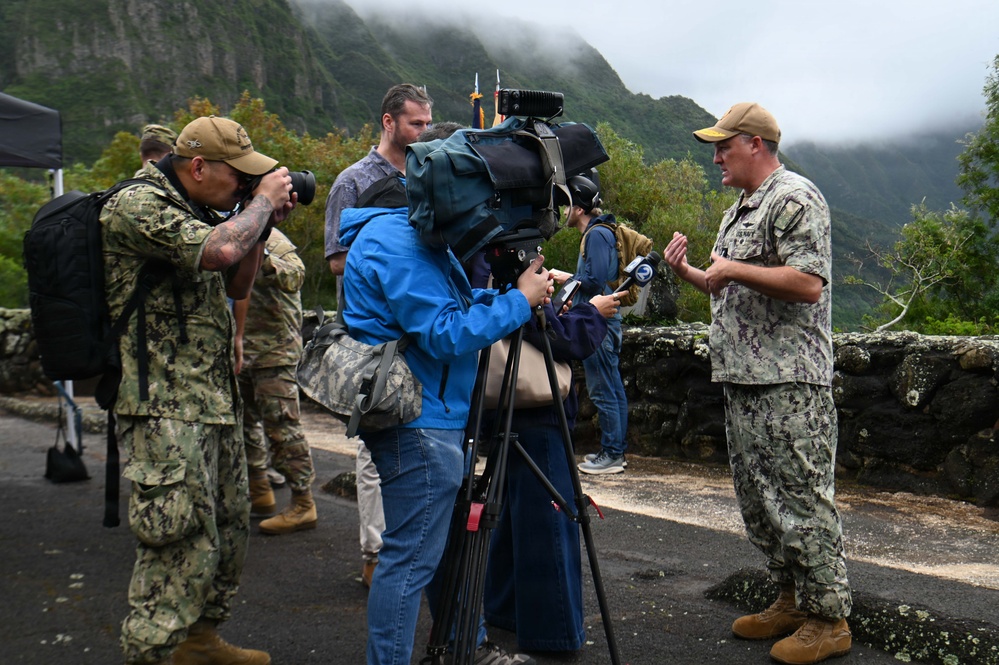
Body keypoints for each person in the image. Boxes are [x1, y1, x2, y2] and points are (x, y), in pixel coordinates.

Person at [102, 114, 295, 665]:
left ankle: (199, 640)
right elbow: (217, 253)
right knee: (176, 539)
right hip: (162, 406)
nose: (244, 184)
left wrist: (259, 223)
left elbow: (237, 279)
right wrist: (259, 204)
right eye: (238, 175)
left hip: (210, 399)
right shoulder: (137, 204)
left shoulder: (202, 210)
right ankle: (151, 651)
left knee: (230, 528)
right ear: (198, 167)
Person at [663, 102, 852, 665]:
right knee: (760, 499)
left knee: (801, 499)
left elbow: (808, 283)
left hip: (789, 382)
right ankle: (791, 600)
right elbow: (725, 288)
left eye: (724, 146)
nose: (716, 157)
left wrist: (732, 269)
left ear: (756, 144)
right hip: (745, 378)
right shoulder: (740, 210)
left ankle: (829, 619)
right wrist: (690, 272)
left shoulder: (794, 198)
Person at [339, 170, 550, 665]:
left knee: (434, 553)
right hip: (420, 420)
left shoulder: (409, 236)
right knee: (409, 561)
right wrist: (519, 302)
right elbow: (444, 333)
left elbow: (453, 303)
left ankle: (465, 646)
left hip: (432, 414)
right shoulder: (399, 242)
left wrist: (510, 296)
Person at [324, 83, 433, 588]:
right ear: (389, 122)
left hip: (420, 327)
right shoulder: (352, 181)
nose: (424, 132)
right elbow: (337, 259)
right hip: (371, 334)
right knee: (374, 448)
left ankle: (413, 555)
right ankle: (375, 555)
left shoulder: (427, 172)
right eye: (415, 123)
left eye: (428, 123)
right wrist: (394, 260)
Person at [482, 288, 622, 655]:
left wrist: (551, 303)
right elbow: (555, 336)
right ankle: (552, 632)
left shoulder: (482, 266)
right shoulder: (511, 273)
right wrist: (593, 313)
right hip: (536, 411)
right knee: (550, 524)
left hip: (504, 408)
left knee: (513, 512)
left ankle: (504, 610)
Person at [233, 227, 317, 534]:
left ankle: (303, 504)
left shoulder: (269, 236)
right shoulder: (226, 230)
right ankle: (260, 491)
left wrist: (261, 256)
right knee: (244, 423)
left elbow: (296, 275)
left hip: (275, 350)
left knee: (283, 429)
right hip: (242, 350)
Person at [549, 175, 629, 475]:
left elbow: (594, 281)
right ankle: (616, 451)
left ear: (579, 209)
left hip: (601, 324)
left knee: (602, 389)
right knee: (612, 387)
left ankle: (612, 454)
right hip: (606, 320)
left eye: (567, 206)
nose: (564, 211)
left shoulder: (596, 235)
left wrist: (564, 277)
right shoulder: (600, 233)